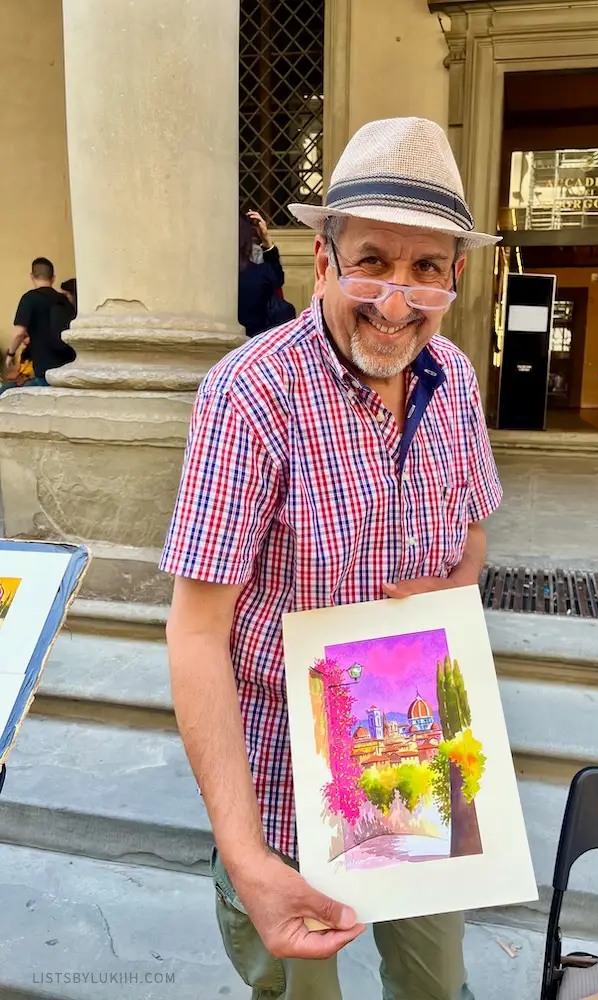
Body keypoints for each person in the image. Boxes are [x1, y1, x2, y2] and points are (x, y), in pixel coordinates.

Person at [160, 117, 503, 999]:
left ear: (455, 279)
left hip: (425, 775)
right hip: (287, 803)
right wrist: (243, 857)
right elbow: (197, 635)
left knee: (437, 990)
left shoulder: (455, 381)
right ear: (322, 262)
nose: (396, 300)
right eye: (372, 262)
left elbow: (472, 540)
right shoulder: (251, 395)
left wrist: (451, 588)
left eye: (425, 268)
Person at [1, 258, 75, 396]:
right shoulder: (64, 300)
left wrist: (10, 354)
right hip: (68, 365)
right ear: (53, 278)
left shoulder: (30, 298)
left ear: (32, 276)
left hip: (45, 367)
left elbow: (19, 333)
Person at [238, 210, 295, 336]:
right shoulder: (261, 275)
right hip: (255, 346)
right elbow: (278, 278)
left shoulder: (211, 277)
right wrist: (266, 241)